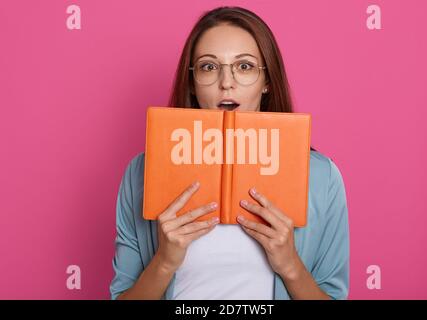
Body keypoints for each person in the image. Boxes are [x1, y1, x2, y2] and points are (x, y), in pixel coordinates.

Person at [110, 6, 349, 300]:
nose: (227, 82)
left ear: (267, 82)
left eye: (245, 66)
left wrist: (291, 267)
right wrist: (164, 262)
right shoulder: (141, 173)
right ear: (193, 83)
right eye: (209, 67)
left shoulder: (321, 177)